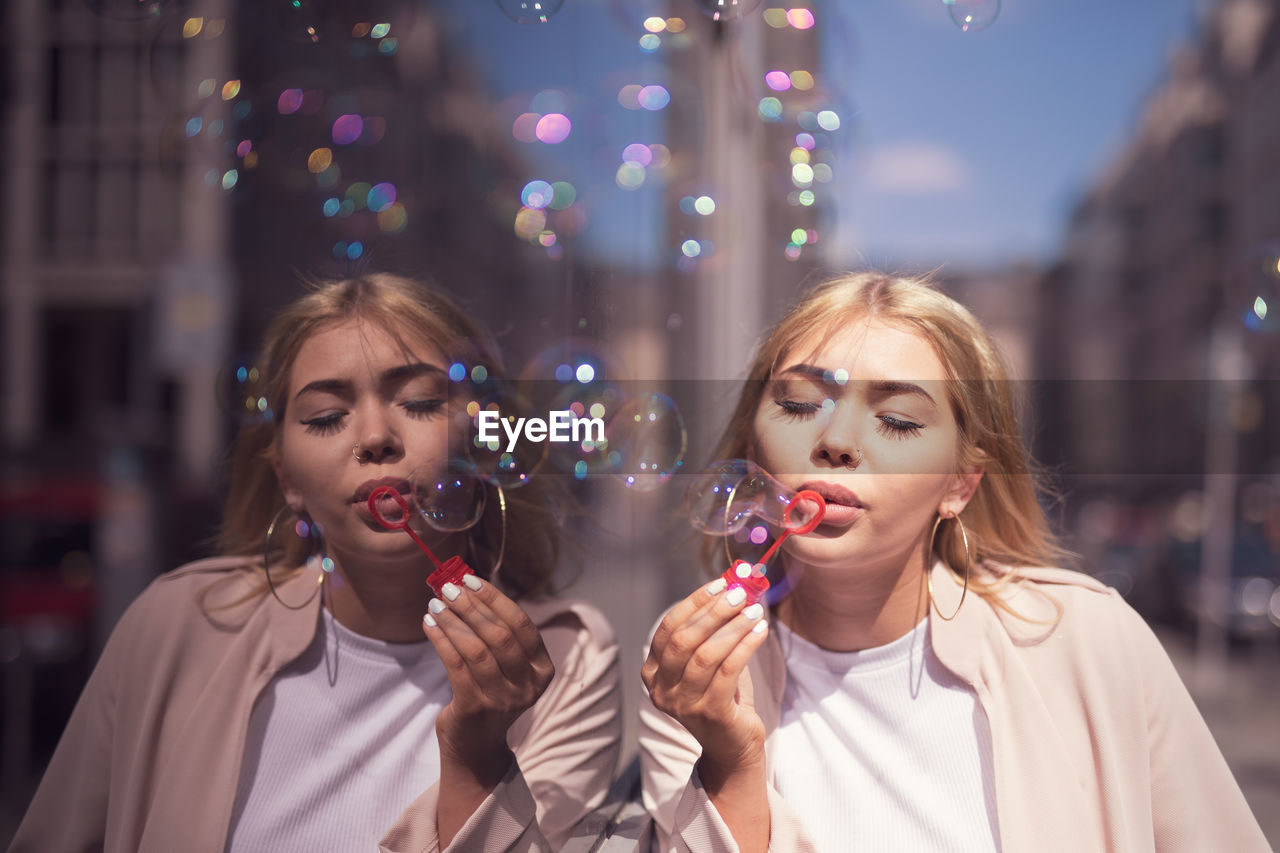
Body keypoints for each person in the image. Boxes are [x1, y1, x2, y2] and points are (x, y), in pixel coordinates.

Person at [638, 272, 1269, 852]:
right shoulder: (695, 668)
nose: (833, 444)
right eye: (801, 405)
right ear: (753, 446)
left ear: (959, 486)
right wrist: (732, 761)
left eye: (897, 420)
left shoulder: (1088, 637)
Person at [11, 273, 621, 852]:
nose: (375, 437)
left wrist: (478, 754)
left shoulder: (565, 660)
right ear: (286, 480)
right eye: (326, 417)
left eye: (419, 401)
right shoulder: (177, 626)